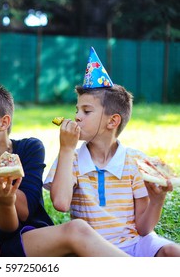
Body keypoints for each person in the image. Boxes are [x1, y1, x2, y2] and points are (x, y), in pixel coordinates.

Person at [0, 56, 128, 257]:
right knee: (76, 230)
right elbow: (7, 229)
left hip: (42, 235)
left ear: (3, 123)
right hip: (6, 248)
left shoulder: (30, 148)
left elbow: (27, 209)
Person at [44, 47, 180, 257]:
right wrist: (67, 148)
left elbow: (144, 229)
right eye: (76, 110)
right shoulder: (71, 158)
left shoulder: (136, 161)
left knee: (172, 252)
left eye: (86, 111)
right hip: (91, 249)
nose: (77, 117)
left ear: (113, 121)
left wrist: (157, 200)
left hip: (134, 244)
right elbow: (61, 204)